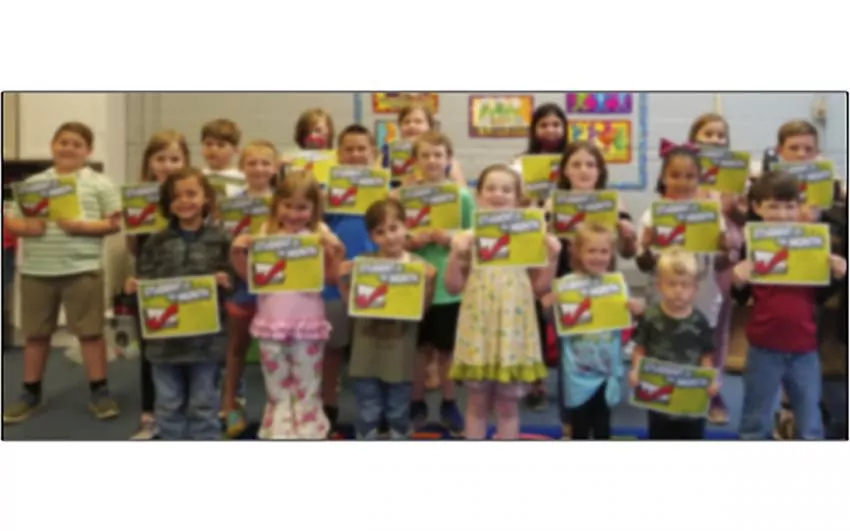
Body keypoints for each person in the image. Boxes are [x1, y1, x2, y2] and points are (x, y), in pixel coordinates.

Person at [3, 122, 123, 424]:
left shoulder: (100, 183)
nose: (69, 148)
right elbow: (11, 220)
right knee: (36, 334)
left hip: (83, 268)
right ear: (52, 145)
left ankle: (99, 391)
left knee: (90, 333)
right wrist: (26, 228)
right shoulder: (33, 184)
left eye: (77, 144)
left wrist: (82, 226)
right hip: (37, 269)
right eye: (63, 142)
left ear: (88, 151)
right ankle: (30, 392)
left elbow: (114, 223)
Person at [444, 164, 560, 439]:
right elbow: (452, 286)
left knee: (508, 406)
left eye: (507, 190)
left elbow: (539, 287)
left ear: (518, 198)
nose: (498, 194)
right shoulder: (468, 237)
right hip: (479, 329)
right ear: (479, 195)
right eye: (491, 188)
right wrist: (455, 254)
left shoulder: (528, 235)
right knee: (477, 403)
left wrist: (553, 257)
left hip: (513, 328)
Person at [731, 171, 847, 440]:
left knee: (809, 422)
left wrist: (837, 275)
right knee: (754, 421)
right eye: (773, 206)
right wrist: (737, 280)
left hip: (804, 348)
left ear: (799, 207)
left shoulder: (812, 243)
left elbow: (819, 296)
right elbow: (740, 296)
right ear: (757, 207)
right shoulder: (752, 244)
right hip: (763, 347)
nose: (782, 214)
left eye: (789, 206)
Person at [230, 171, 343, 439]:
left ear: (314, 208)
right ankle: (279, 427)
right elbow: (251, 277)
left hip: (307, 320)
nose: (293, 214)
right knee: (276, 381)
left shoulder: (318, 232)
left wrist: (336, 251)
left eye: (302, 207)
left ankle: (308, 427)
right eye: (287, 206)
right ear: (276, 204)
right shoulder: (266, 232)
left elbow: (330, 277)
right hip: (271, 320)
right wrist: (237, 252)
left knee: (307, 379)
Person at [124, 168, 232, 440]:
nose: (184, 201)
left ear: (206, 198)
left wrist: (227, 281)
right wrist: (133, 289)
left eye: (191, 194)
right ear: (167, 203)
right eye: (176, 196)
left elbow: (236, 285)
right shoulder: (156, 241)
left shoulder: (222, 239)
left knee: (204, 404)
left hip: (207, 342)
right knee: (168, 404)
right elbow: (144, 287)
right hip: (164, 344)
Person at [548, 141, 638, 434]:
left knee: (604, 346)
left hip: (603, 286)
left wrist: (628, 235)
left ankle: (602, 408)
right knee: (569, 354)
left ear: (600, 171)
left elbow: (628, 252)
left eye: (590, 164)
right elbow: (541, 251)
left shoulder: (614, 202)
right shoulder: (553, 203)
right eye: (576, 164)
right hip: (569, 284)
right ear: (565, 170)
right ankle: (569, 421)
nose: (584, 170)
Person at [337, 198, 436, 439]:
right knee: (368, 404)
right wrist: (341, 281)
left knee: (398, 405)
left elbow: (421, 311)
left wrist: (429, 283)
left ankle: (398, 434)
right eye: (380, 232)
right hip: (366, 350)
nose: (389, 237)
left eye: (394, 228)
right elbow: (351, 306)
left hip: (400, 351)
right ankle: (367, 435)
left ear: (406, 227)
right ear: (371, 237)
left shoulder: (419, 267)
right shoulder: (363, 264)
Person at [404, 131, 474, 436]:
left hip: (449, 286)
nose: (432, 161)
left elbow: (474, 234)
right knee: (420, 349)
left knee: (446, 351)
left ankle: (449, 401)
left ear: (448, 159)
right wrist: (411, 241)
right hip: (415, 284)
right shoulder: (406, 196)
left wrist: (451, 239)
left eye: (438, 155)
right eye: (425, 155)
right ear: (415, 160)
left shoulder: (462, 197)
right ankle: (416, 401)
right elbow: (396, 237)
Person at [546, 222, 644, 440]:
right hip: (577, 373)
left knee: (602, 427)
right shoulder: (566, 285)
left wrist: (637, 309)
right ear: (577, 252)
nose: (598, 257)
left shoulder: (617, 284)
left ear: (611, 254)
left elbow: (632, 320)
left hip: (606, 371)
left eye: (604, 251)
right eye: (591, 251)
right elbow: (555, 322)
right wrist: (549, 306)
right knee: (579, 428)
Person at [125, 130, 191, 440]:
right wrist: (128, 226)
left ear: (186, 161)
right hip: (150, 283)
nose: (167, 165)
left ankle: (188, 411)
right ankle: (150, 414)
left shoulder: (191, 197)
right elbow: (133, 248)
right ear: (149, 162)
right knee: (151, 351)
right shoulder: (139, 197)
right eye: (160, 158)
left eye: (175, 158)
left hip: (186, 281)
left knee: (191, 350)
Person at [321, 124, 380, 437]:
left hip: (376, 280)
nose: (356, 155)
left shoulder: (384, 189)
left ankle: (374, 414)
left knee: (371, 350)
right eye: (349, 149)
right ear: (338, 154)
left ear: (373, 153)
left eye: (362, 149)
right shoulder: (327, 192)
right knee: (333, 349)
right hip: (334, 283)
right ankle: (328, 408)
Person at [686, 113, 744, 425]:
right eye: (708, 134)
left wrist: (735, 206)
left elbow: (749, 221)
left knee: (717, 328)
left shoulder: (735, 178)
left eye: (721, 135)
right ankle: (684, 385)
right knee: (685, 324)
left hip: (723, 261)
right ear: (694, 138)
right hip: (687, 261)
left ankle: (713, 390)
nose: (715, 140)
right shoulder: (683, 171)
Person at [511, 102, 569, 410]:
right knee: (533, 314)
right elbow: (508, 203)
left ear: (564, 128)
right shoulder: (519, 164)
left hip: (568, 245)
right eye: (544, 124)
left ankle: (570, 381)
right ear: (534, 130)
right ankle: (536, 382)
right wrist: (525, 198)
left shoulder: (574, 160)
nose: (550, 130)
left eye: (556, 124)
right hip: (532, 244)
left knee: (565, 310)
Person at [628, 248, 719, 440]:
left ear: (695, 289)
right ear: (660, 285)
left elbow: (706, 355)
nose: (678, 291)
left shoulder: (700, 321)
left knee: (691, 437)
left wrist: (710, 378)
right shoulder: (650, 317)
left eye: (685, 285)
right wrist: (636, 370)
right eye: (672, 284)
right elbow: (640, 348)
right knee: (660, 435)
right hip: (658, 394)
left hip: (690, 395)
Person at [221, 140, 278, 438]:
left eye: (265, 163)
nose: (259, 168)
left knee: (276, 350)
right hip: (241, 282)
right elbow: (222, 239)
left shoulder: (282, 202)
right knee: (237, 347)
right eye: (252, 163)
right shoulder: (231, 203)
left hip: (277, 284)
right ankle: (230, 405)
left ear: (276, 167)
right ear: (242, 167)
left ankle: (276, 408)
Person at [382, 103, 466, 187]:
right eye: (406, 122)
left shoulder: (442, 155)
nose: (412, 125)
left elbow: (462, 189)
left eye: (418, 121)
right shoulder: (388, 152)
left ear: (430, 126)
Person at [200, 118, 244, 197]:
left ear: (235, 150)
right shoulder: (197, 176)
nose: (213, 149)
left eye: (221, 145)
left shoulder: (242, 179)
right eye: (208, 144)